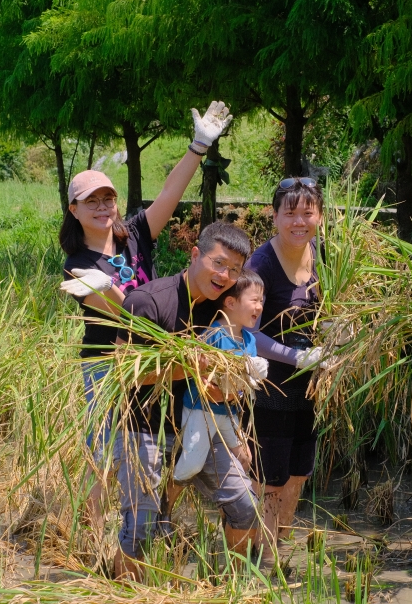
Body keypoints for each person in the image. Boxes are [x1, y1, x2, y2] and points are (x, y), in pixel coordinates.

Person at [58, 101, 233, 523]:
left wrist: (198, 146)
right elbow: (126, 318)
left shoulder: (134, 234)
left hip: (159, 356)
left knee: (161, 442)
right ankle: (92, 535)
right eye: (91, 201)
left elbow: (170, 196)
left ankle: (157, 523)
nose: (103, 207)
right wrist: (112, 292)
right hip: (109, 365)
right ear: (74, 209)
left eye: (108, 198)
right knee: (104, 450)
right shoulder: (77, 264)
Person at [111, 222, 260, 580]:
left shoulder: (221, 310)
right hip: (142, 426)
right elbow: (124, 372)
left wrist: (238, 430)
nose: (224, 275)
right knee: (141, 525)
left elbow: (235, 371)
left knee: (245, 507)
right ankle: (123, 592)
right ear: (195, 255)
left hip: (201, 423)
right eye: (218, 263)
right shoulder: (148, 301)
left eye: (234, 270)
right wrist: (187, 367)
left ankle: (227, 588)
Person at [246, 177, 330, 557]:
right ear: (274, 217)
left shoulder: (326, 257)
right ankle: (261, 558)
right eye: (290, 213)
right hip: (271, 387)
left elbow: (340, 307)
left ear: (320, 217)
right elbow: (246, 330)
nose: (300, 221)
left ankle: (279, 547)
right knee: (271, 477)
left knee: (300, 472)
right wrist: (293, 355)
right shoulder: (261, 263)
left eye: (307, 213)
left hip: (312, 387)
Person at [173, 269, 269, 483]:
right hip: (202, 411)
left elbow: (246, 380)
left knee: (246, 457)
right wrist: (232, 390)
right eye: (254, 300)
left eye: (261, 301)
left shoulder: (249, 341)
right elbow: (202, 383)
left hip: (228, 411)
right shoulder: (212, 335)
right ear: (231, 303)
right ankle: (168, 498)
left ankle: (228, 511)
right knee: (191, 465)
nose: (259, 307)